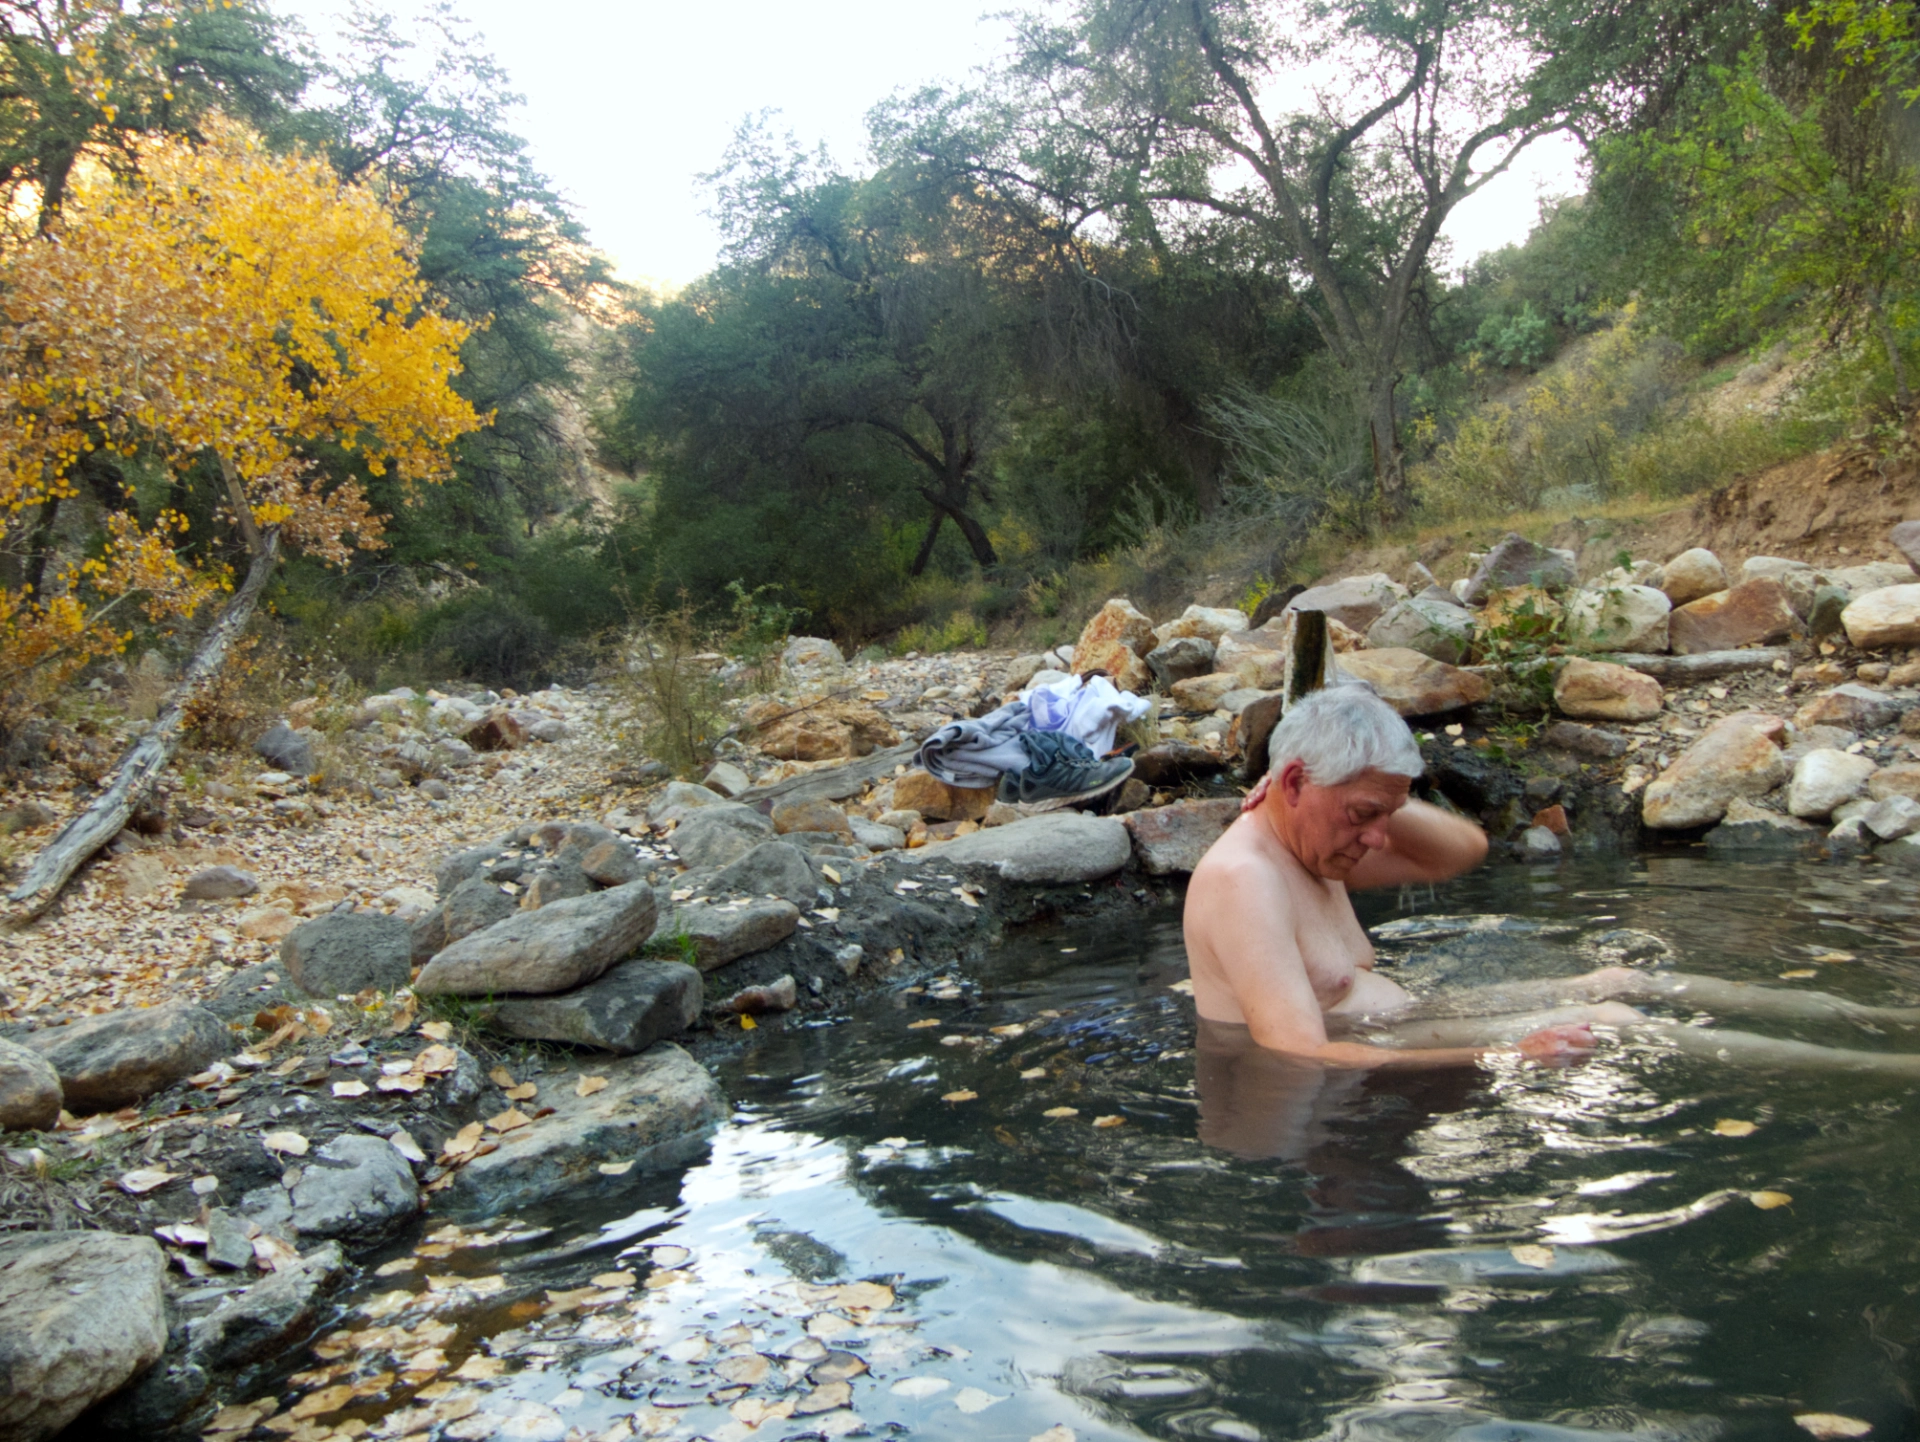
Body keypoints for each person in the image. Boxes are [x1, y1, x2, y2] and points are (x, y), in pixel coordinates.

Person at [1185, 683, 1920, 1072]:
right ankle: (1877, 1070)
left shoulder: (1318, 836)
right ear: (1289, 784)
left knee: (1618, 983)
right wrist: (1505, 1055)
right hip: (1330, 1069)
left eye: (1385, 816)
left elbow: (1459, 853)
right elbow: (1296, 1055)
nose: (1377, 839)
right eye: (1363, 814)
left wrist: (1380, 800)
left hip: (1396, 1015)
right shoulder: (1246, 880)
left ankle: (1894, 1025)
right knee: (1614, 1023)